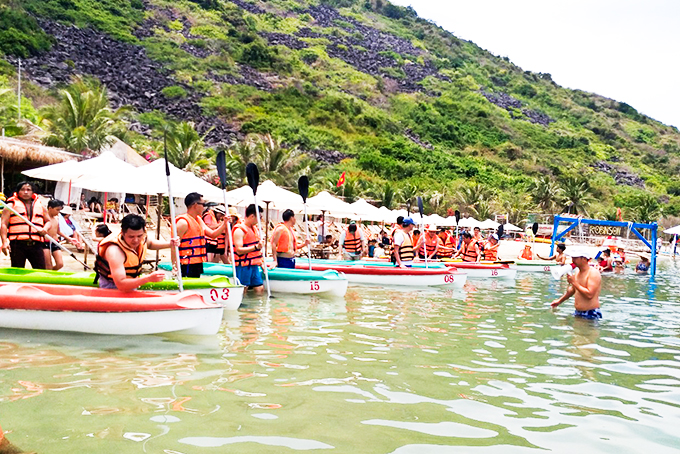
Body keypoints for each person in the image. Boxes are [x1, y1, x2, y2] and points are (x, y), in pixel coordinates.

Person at [94, 214, 178, 291]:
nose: (136, 240)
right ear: (122, 233)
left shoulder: (143, 238)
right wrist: (148, 278)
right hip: (112, 286)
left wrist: (170, 244)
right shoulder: (115, 251)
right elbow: (121, 284)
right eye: (131, 236)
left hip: (131, 282)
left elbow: (150, 244)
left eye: (139, 236)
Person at [175, 192, 228, 278]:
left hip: (196, 262)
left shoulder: (198, 219)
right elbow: (174, 246)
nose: (204, 207)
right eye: (203, 204)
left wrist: (224, 224)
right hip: (186, 263)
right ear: (195, 205)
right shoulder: (183, 223)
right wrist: (175, 266)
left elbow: (213, 234)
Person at [0, 181, 47, 269]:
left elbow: (48, 221)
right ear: (18, 192)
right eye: (23, 190)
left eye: (28, 190)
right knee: (17, 269)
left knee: (40, 269)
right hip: (17, 244)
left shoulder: (40, 206)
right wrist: (4, 242)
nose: (26, 192)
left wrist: (45, 229)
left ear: (33, 192)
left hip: (36, 243)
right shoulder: (10, 206)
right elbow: (3, 224)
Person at [551, 247, 602, 319]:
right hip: (578, 312)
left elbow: (589, 295)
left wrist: (574, 282)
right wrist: (559, 301)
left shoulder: (593, 273)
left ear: (584, 258)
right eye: (572, 257)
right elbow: (573, 290)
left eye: (575, 258)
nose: (572, 260)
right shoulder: (577, 272)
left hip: (590, 313)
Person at [233, 204, 267, 293]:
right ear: (252, 216)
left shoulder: (254, 229)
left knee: (260, 288)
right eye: (259, 217)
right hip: (243, 265)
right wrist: (256, 247)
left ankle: (256, 306)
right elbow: (239, 250)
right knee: (243, 289)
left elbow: (258, 251)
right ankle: (243, 306)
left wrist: (261, 263)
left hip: (254, 264)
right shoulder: (239, 230)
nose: (261, 219)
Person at [43, 199, 77, 271]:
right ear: (50, 208)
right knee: (48, 265)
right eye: (57, 210)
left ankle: (51, 274)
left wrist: (69, 238)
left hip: (55, 241)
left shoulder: (57, 218)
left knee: (60, 264)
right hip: (45, 242)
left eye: (59, 210)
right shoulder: (44, 218)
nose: (58, 212)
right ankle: (49, 277)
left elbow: (58, 231)